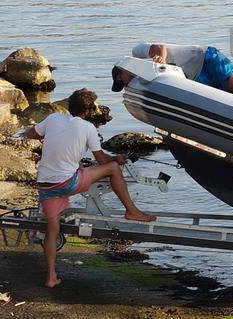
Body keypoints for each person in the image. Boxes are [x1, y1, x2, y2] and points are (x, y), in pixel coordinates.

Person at [18, 88, 155, 288]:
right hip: (68, 183)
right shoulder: (89, 128)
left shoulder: (54, 118)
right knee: (114, 169)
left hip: (46, 186)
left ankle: (50, 277)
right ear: (88, 111)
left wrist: (48, 141)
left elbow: (30, 133)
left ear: (69, 106)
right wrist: (116, 159)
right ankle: (132, 211)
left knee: (52, 230)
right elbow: (102, 161)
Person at [114, 41, 233, 111]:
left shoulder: (137, 53)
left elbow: (159, 47)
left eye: (121, 79)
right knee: (229, 98)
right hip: (195, 77)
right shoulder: (143, 79)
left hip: (205, 57)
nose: (125, 83)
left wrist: (160, 57)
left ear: (122, 70)